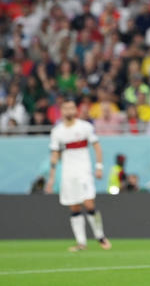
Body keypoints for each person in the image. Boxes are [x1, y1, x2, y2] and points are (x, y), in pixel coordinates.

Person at [45, 99, 111, 252]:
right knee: (74, 206)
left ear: (76, 110)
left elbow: (97, 148)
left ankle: (100, 236)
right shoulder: (57, 132)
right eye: (66, 108)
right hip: (68, 173)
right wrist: (52, 178)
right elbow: (54, 155)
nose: (69, 111)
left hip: (84, 171)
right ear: (61, 111)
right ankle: (81, 242)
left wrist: (99, 167)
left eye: (72, 108)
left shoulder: (85, 127)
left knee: (89, 204)